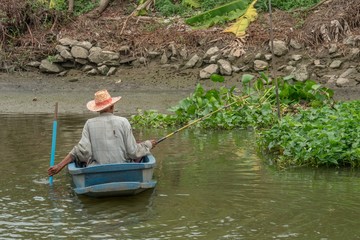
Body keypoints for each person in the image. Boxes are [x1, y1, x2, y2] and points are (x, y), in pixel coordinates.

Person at [48, 89, 157, 177]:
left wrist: (59, 166)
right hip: (123, 169)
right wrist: (148, 144)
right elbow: (133, 152)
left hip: (97, 172)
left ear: (97, 109)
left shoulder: (89, 124)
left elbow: (82, 151)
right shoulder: (123, 122)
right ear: (112, 106)